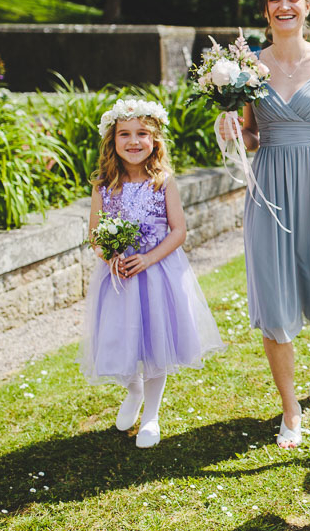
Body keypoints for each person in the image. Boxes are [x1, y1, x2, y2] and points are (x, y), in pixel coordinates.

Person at [219, 0, 310, 448]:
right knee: (274, 294)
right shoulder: (247, 67)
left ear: (308, 5)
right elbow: (252, 131)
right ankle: (290, 409)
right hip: (268, 186)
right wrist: (236, 133)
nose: (285, 6)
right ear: (265, 9)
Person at [78, 98, 225, 448]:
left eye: (142, 133)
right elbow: (94, 234)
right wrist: (108, 254)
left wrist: (148, 259)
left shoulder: (163, 181)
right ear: (112, 141)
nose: (133, 141)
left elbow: (178, 231)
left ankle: (152, 414)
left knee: (156, 342)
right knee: (121, 339)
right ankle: (133, 392)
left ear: (155, 140)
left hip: (157, 273)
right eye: (124, 134)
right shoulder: (103, 184)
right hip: (118, 278)